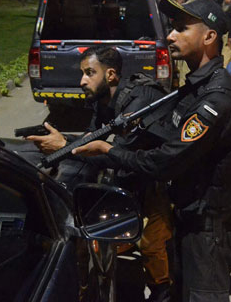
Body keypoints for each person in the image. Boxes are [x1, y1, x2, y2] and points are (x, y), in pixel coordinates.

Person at [72, 0, 231, 302]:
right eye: (173, 27)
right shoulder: (194, 88)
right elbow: (169, 137)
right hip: (186, 218)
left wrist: (109, 150)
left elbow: (167, 160)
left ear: (209, 37)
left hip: (208, 230)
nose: (170, 35)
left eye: (182, 28)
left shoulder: (217, 97)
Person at [28, 46, 174, 302]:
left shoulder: (141, 100)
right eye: (82, 73)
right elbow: (92, 141)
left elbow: (116, 153)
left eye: (89, 73)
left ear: (111, 75)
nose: (82, 81)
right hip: (131, 177)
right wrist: (62, 150)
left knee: (152, 245)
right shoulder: (104, 100)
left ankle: (164, 291)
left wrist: (64, 146)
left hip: (161, 180)